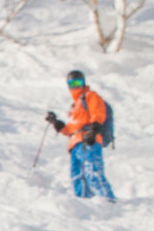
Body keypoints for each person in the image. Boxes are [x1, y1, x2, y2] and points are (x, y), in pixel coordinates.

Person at [45, 69, 115, 201]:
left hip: (89, 140)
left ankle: (108, 200)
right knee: (77, 177)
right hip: (75, 144)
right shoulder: (75, 106)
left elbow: (98, 112)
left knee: (92, 172)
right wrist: (57, 124)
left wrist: (93, 130)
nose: (75, 86)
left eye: (78, 82)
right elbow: (72, 129)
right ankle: (84, 203)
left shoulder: (90, 96)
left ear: (83, 82)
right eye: (72, 84)